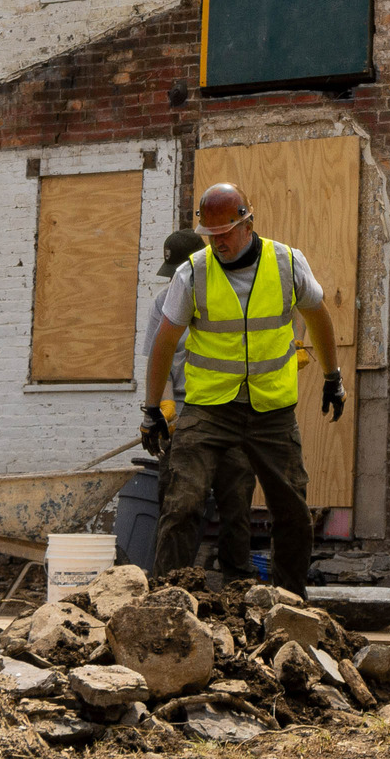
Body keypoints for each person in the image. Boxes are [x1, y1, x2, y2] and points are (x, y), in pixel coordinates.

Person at [141, 182, 343, 594]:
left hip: (272, 411)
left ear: (248, 224)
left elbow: (319, 316)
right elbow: (163, 343)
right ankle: (165, 602)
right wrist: (152, 408)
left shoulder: (287, 262)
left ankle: (291, 601)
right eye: (210, 237)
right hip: (209, 408)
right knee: (182, 503)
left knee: (292, 510)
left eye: (225, 234)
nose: (218, 244)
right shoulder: (192, 272)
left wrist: (332, 376)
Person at [150, 227, 258, 578]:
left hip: (231, 409)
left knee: (237, 501)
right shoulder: (161, 303)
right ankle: (171, 584)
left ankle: (236, 585)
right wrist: (165, 410)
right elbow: (159, 362)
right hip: (183, 413)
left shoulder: (228, 298)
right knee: (179, 502)